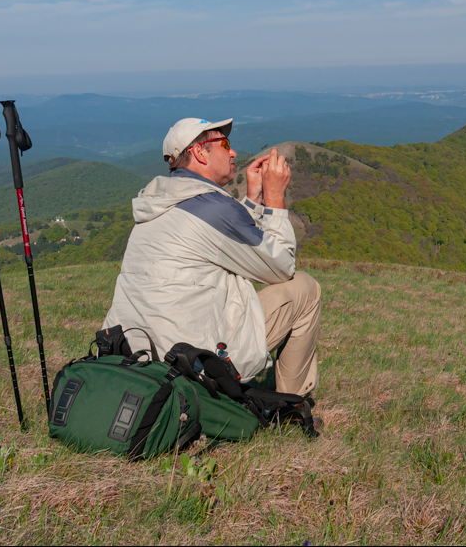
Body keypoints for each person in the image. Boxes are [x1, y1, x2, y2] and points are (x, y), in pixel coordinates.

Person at [103, 117, 321, 398]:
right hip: (194, 364)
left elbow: (219, 239)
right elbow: (281, 268)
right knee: (305, 287)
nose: (233, 153)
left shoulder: (157, 201)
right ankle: (293, 403)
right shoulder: (213, 208)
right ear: (199, 153)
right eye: (224, 144)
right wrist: (275, 197)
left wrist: (252, 200)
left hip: (139, 355)